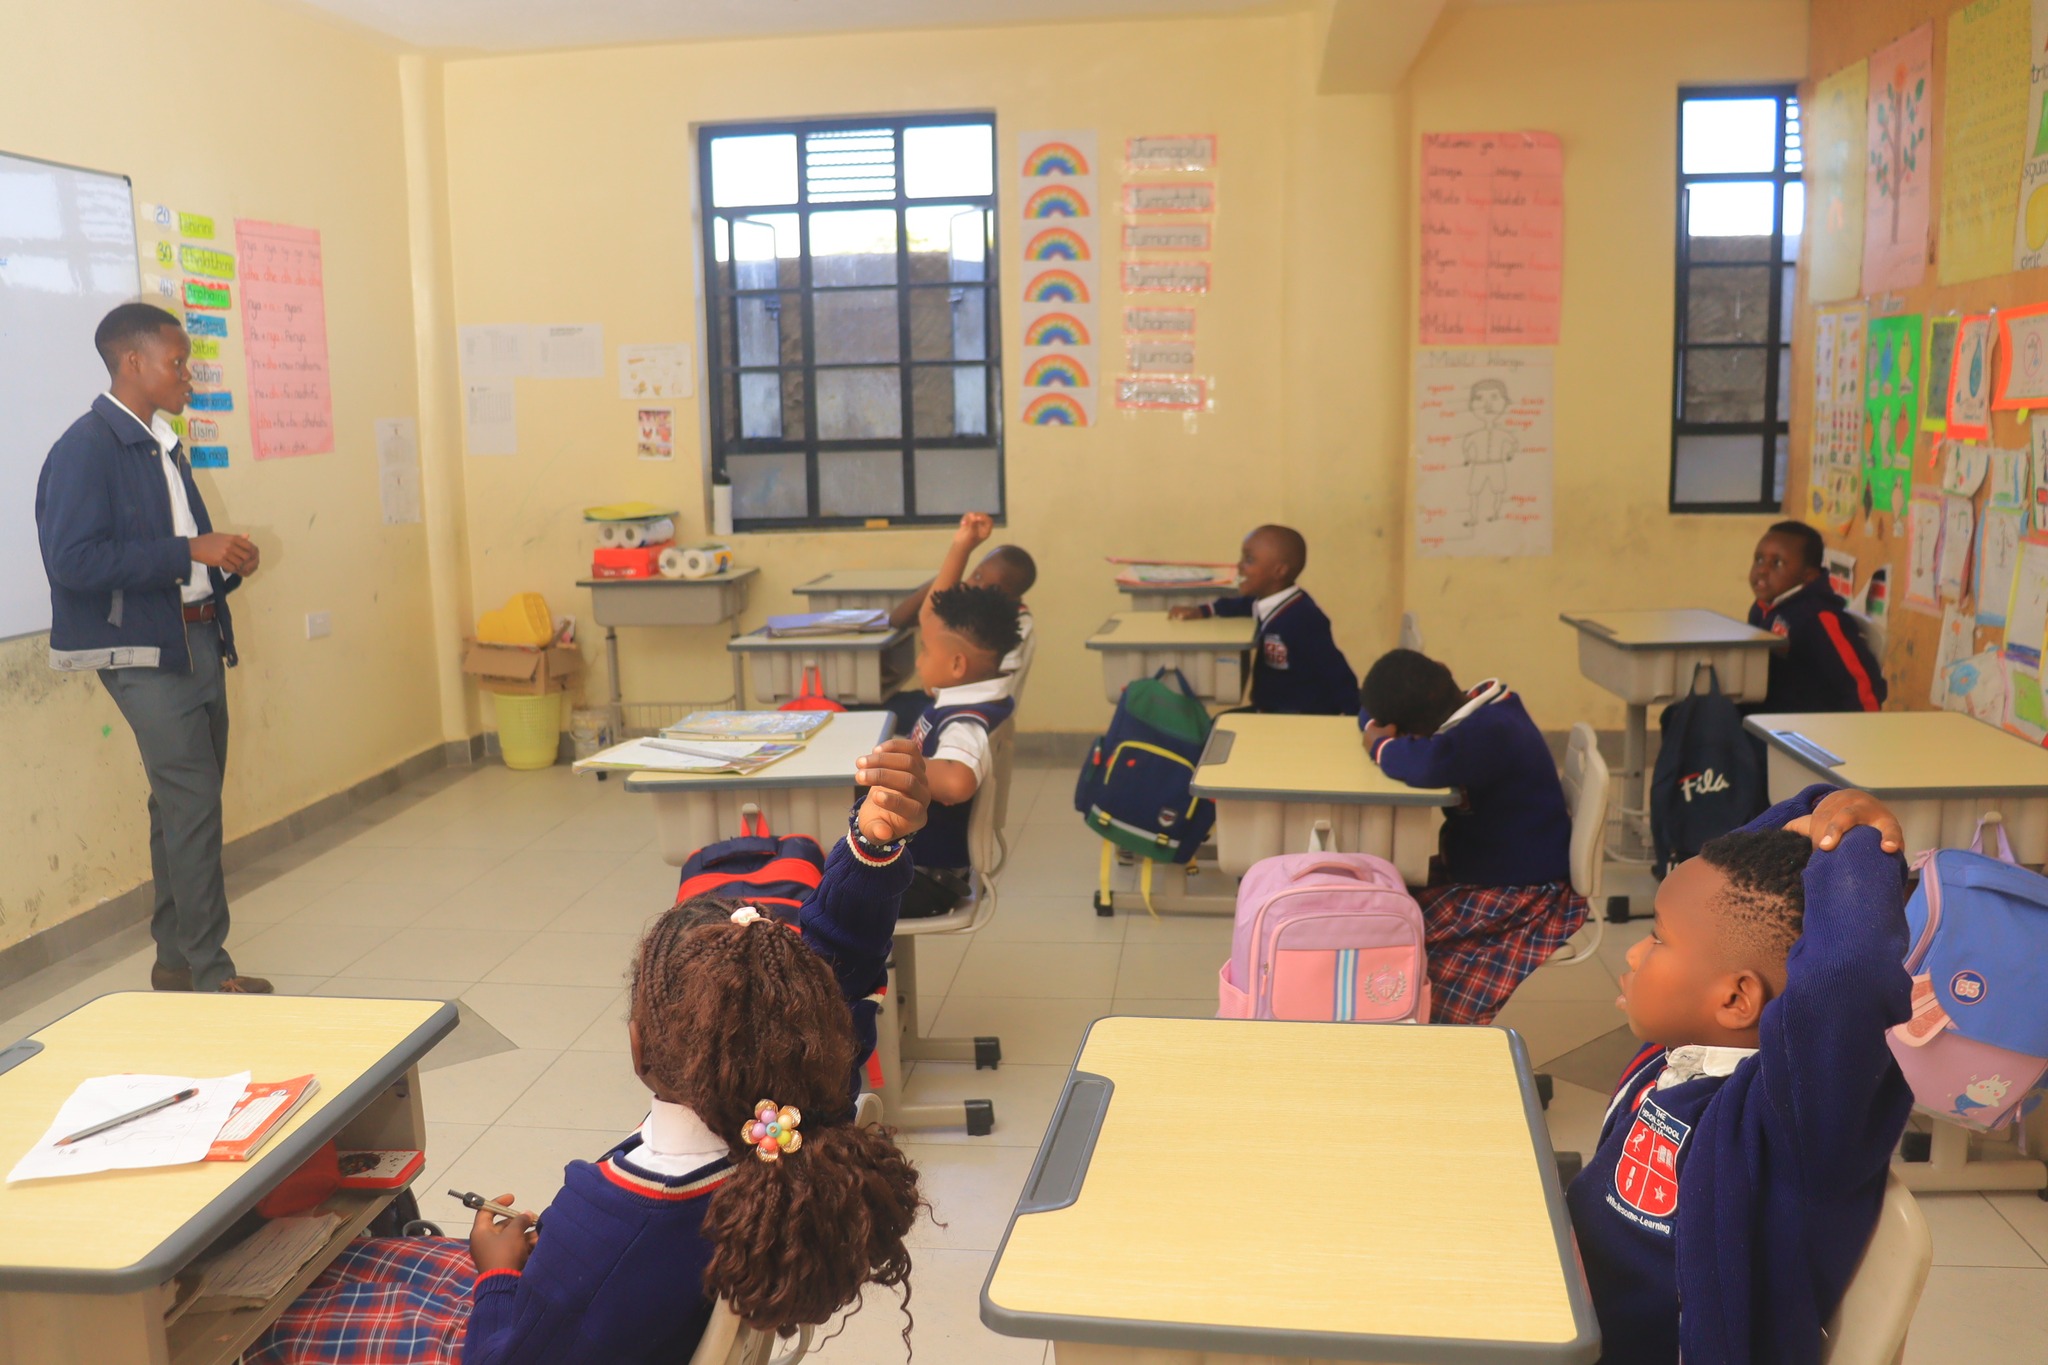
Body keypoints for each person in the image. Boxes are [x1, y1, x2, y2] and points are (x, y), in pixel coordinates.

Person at [246, 739, 934, 1365]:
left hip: (511, 1332)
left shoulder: (613, 1225)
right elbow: (839, 952)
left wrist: (495, 1271)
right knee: (370, 1258)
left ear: (639, 1048)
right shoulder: (805, 1102)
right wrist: (872, 846)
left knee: (275, 1321)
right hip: (603, 1315)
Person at [1567, 787, 1912, 1363]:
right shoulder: (1682, 1055)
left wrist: (1861, 847)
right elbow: (1734, 872)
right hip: (1570, 1302)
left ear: (1735, 998)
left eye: (1657, 939)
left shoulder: (1791, 1117)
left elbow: (1847, 974)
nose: (1633, 955)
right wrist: (1828, 807)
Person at [35, 302, 268, 994]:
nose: (188, 377)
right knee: (193, 804)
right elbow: (73, 560)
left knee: (179, 806)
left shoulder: (161, 444)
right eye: (177, 363)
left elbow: (175, 553)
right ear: (131, 363)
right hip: (139, 653)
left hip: (194, 638)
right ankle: (208, 972)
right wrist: (186, 550)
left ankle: (175, 959)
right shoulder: (83, 449)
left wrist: (220, 561)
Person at [1358, 649, 1584, 1025]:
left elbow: (1428, 764)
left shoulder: (1488, 732)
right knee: (1384, 910)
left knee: (1397, 937)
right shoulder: (1478, 708)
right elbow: (1373, 716)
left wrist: (1380, 745)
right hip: (1487, 868)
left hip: (1523, 891)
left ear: (1417, 732)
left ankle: (1423, 1039)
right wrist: (1380, 733)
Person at [902, 583, 1021, 917]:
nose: (919, 660)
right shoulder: (976, 699)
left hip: (919, 882)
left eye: (924, 650)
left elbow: (957, 782)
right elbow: (929, 615)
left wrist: (892, 762)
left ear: (957, 665)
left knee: (806, 886)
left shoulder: (964, 722)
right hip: (919, 871)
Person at [1168, 524, 1357, 715]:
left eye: (1249, 560)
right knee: (1219, 723)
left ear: (1279, 572)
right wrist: (1204, 610)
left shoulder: (1304, 619)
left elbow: (1336, 672)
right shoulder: (1264, 601)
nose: (1239, 566)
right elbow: (1240, 605)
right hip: (1269, 709)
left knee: (1220, 728)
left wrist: (1354, 717)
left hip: (1297, 717)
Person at [885, 512, 1036, 733]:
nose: (974, 587)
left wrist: (960, 553)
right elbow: (904, 618)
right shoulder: (988, 619)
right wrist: (961, 552)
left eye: (925, 651)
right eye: (976, 575)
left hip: (949, 704)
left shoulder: (961, 727)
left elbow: (927, 618)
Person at [1746, 520, 1884, 713]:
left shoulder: (1819, 619)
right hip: (1766, 714)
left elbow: (1861, 685)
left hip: (1803, 729)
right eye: (1759, 559)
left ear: (1809, 575)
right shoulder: (1761, 609)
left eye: (1777, 563)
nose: (1761, 569)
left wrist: (1867, 730)